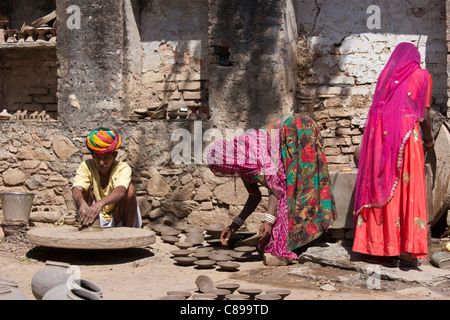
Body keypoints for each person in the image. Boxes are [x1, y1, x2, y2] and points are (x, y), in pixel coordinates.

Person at [206, 113, 336, 263]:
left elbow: (275, 187)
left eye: (225, 168)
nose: (229, 172)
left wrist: (268, 221)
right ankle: (305, 241)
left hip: (295, 127)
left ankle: (305, 240)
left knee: (303, 187)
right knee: (299, 188)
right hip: (297, 128)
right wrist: (234, 226)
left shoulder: (246, 153)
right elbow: (254, 197)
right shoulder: (243, 165)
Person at [352, 42, 434, 266]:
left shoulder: (386, 76)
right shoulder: (423, 75)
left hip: (382, 136)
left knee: (382, 185)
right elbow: (425, 115)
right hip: (408, 138)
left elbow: (380, 109)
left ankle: (376, 244)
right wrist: (429, 140)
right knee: (407, 188)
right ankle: (406, 247)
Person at [72, 127, 142, 229]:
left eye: (106, 158)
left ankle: (128, 234)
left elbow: (121, 190)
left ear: (115, 155)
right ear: (92, 155)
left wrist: (100, 203)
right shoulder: (86, 165)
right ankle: (86, 227)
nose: (101, 162)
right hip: (94, 215)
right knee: (82, 191)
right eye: (97, 158)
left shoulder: (122, 168)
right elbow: (76, 188)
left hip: (117, 215)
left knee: (129, 189)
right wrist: (81, 203)